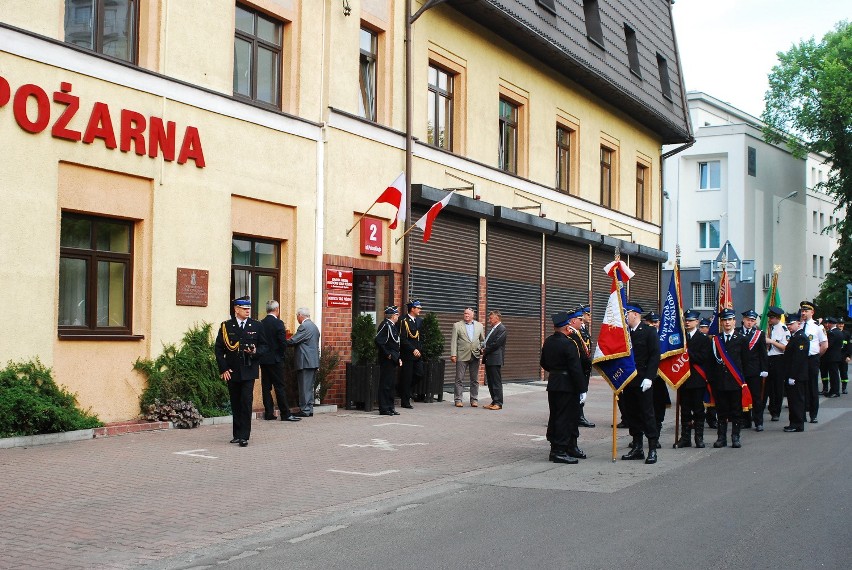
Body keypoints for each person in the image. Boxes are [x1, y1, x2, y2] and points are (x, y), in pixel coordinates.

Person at [215, 297, 267, 447]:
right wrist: (223, 368)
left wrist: (255, 351)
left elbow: (265, 346)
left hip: (249, 370)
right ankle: (236, 434)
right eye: (244, 309)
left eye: (249, 308)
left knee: (246, 402)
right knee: (235, 402)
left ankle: (244, 435)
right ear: (236, 309)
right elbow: (219, 349)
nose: (248, 311)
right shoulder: (226, 326)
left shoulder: (257, 325)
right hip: (232, 371)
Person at [540, 311, 587, 464]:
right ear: (567, 327)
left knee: (556, 416)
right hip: (568, 385)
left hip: (554, 382)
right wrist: (582, 388)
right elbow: (575, 368)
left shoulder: (548, 341)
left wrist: (556, 371)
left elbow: (544, 363)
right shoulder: (569, 343)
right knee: (564, 418)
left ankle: (563, 446)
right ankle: (559, 451)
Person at [621, 303, 661, 464]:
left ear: (636, 315)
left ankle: (652, 448)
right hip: (629, 380)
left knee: (647, 414)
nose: (625, 317)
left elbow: (655, 355)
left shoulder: (649, 331)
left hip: (644, 379)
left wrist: (649, 377)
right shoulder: (624, 333)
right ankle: (637, 447)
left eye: (627, 313)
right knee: (631, 414)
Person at [259, 300, 301, 422]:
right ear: (277, 309)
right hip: (276, 360)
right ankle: (285, 413)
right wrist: (281, 355)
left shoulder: (261, 323)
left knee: (266, 387)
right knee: (280, 387)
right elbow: (283, 343)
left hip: (264, 360)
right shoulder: (278, 323)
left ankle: (269, 413)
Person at [676, 310, 713, 448]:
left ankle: (699, 438)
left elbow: (703, 358)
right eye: (686, 320)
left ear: (697, 322)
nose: (687, 322)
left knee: (698, 410)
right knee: (684, 410)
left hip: (697, 379)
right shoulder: (680, 338)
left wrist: (687, 353)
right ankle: (685, 438)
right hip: (683, 379)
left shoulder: (704, 339)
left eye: (691, 320)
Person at [712, 308, 747, 449]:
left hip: (735, 381)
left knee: (736, 411)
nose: (727, 322)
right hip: (720, 382)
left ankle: (735, 437)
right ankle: (721, 438)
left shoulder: (741, 339)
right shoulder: (716, 340)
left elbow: (745, 361)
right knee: (721, 411)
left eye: (729, 320)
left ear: (734, 322)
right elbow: (711, 362)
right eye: (724, 320)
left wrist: (744, 381)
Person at [737, 309, 769, 431]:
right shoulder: (737, 332)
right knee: (743, 396)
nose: (750, 323)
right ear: (743, 320)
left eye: (752, 320)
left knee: (756, 397)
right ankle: (745, 421)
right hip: (741, 371)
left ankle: (758, 421)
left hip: (755, 371)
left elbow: (763, 353)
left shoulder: (759, 334)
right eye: (748, 320)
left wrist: (764, 369)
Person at [287, 307, 320, 418]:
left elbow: (294, 340)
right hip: (313, 361)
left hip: (305, 361)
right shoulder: (314, 326)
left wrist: (282, 341)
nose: (297, 318)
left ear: (301, 315)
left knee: (304, 387)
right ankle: (309, 409)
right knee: (309, 387)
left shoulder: (304, 326)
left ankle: (305, 409)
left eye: (297, 316)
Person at [450, 307, 485, 407]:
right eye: (465, 313)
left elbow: (482, 340)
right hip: (461, 355)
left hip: (475, 355)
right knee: (459, 378)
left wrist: (481, 347)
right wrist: (453, 354)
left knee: (475, 379)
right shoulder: (457, 325)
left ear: (473, 315)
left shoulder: (479, 326)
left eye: (468, 314)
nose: (466, 315)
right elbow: (453, 341)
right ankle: (458, 399)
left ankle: (474, 400)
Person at [644, 311, 670, 444]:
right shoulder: (643, 335)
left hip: (659, 379)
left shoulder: (664, 337)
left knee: (658, 409)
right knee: (644, 409)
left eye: (656, 322)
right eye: (651, 322)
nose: (654, 324)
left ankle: (656, 438)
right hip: (644, 378)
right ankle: (640, 438)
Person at [800, 301, 827, 423]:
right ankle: (802, 413)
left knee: (812, 387)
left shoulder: (818, 327)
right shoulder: (799, 325)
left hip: (812, 359)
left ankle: (813, 414)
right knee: (801, 386)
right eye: (802, 311)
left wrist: (816, 355)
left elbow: (824, 345)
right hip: (801, 360)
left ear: (812, 312)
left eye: (806, 311)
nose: (803, 313)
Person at [782, 312, 809, 432]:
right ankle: (794, 422)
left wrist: (792, 376)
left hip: (797, 376)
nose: (789, 326)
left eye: (791, 324)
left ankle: (797, 424)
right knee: (792, 400)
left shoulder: (801, 337)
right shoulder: (795, 336)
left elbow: (798, 359)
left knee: (796, 400)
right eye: (788, 324)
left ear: (798, 324)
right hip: (792, 374)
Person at [375, 306, 401, 416]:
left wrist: (398, 357)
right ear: (393, 316)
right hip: (387, 360)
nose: (398, 316)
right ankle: (384, 408)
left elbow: (395, 343)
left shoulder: (392, 325)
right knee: (385, 384)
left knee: (391, 384)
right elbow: (378, 340)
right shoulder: (385, 325)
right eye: (397, 315)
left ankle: (390, 407)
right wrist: (388, 354)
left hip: (393, 358)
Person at [764, 306, 789, 422]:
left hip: (778, 359)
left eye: (771, 317)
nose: (769, 319)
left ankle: (776, 411)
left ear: (777, 318)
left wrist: (771, 341)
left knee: (778, 387)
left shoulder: (783, 329)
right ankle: (771, 407)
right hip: (769, 359)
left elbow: (785, 347)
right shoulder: (771, 328)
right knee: (768, 386)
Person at [399, 300, 424, 409]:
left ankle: (405, 390)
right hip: (407, 354)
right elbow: (402, 339)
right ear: (412, 309)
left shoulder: (419, 320)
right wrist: (413, 349)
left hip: (417, 353)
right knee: (407, 378)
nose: (420, 310)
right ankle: (405, 401)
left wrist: (419, 349)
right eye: (418, 308)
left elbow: (420, 337)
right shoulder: (403, 320)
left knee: (419, 374)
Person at [482, 310, 507, 410]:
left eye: (491, 318)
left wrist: (484, 350)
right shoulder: (493, 329)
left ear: (497, 318)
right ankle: (494, 401)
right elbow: (488, 342)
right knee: (490, 381)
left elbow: (496, 344)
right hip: (489, 358)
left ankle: (498, 403)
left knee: (496, 381)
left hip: (495, 359)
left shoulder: (502, 329)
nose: (489, 320)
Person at [577, 305, 596, 428]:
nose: (590, 317)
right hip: (580, 366)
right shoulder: (578, 330)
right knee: (579, 392)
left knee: (583, 393)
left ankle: (579, 415)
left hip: (585, 367)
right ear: (582, 315)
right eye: (588, 314)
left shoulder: (584, 329)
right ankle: (579, 416)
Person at [699, 317, 718, 429]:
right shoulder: (699, 338)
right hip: (700, 371)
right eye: (701, 327)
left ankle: (712, 419)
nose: (702, 329)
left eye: (704, 327)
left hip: (710, 371)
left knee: (711, 397)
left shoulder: (713, 340)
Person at [822, 317, 843, 398]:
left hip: (831, 357)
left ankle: (835, 391)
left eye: (828, 323)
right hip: (837, 356)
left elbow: (828, 345)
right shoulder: (839, 332)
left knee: (833, 375)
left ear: (830, 324)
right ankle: (833, 390)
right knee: (834, 374)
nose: (827, 325)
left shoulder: (832, 333)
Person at [840, 320, 851, 394]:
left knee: (844, 372)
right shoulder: (833, 332)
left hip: (844, 356)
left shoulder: (846, 333)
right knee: (833, 373)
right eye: (839, 324)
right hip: (835, 356)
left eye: (842, 324)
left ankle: (844, 388)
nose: (840, 325)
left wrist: (848, 356)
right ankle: (833, 388)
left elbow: (849, 346)